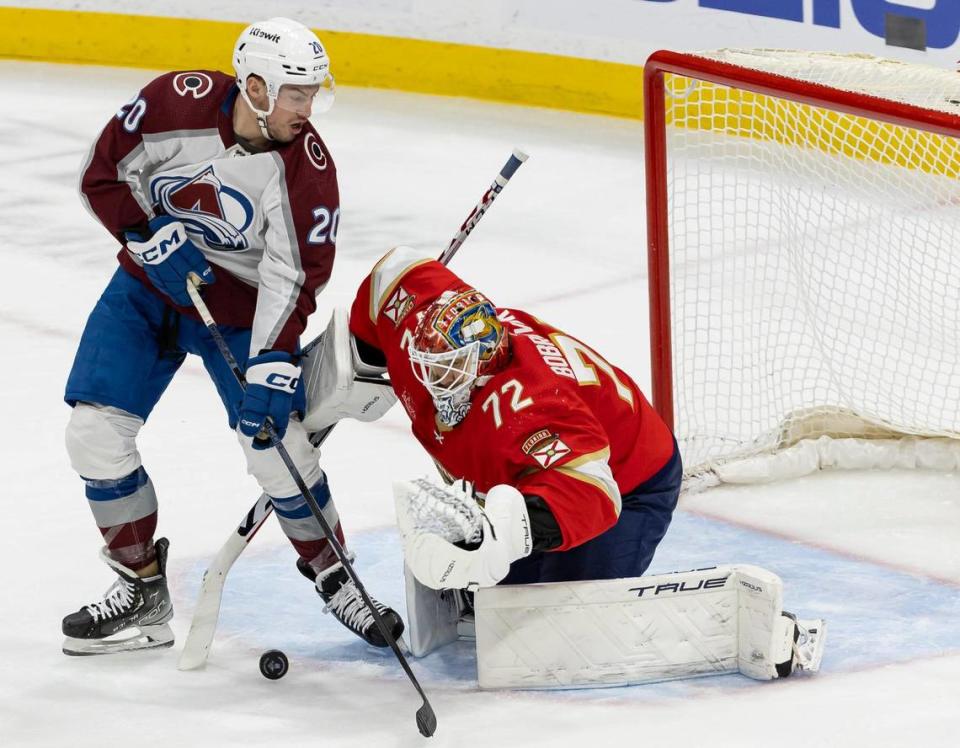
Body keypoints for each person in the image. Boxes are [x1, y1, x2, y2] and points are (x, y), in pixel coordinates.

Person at [61, 17, 402, 655]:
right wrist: (144, 232)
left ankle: (337, 577)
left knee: (279, 448)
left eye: (311, 93)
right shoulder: (173, 103)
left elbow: (293, 276)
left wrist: (273, 361)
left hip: (244, 314)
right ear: (254, 85)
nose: (307, 108)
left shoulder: (307, 173)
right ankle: (140, 587)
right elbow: (103, 174)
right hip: (145, 291)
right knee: (93, 435)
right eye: (295, 92)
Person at [348, 246, 681, 591]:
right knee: (496, 606)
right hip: (547, 464)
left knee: (556, 625)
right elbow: (394, 271)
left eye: (447, 369)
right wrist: (347, 368)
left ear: (483, 366)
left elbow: (592, 490)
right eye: (429, 364)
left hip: (628, 483)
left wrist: (501, 535)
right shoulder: (432, 324)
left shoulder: (530, 406)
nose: (430, 380)